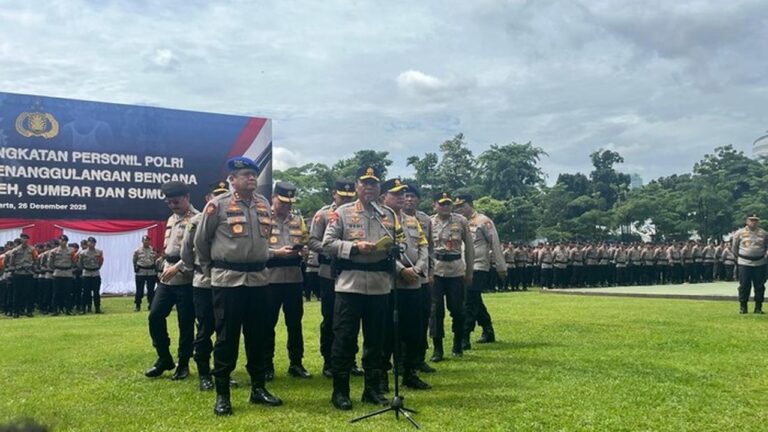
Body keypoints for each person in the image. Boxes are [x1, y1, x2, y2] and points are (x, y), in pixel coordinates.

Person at [195, 157, 283, 415]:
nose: (251, 178)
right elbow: (201, 242)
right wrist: (212, 271)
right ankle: (223, 394)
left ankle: (258, 389)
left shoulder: (263, 204)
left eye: (253, 174)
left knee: (258, 336)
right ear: (232, 179)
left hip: (258, 280)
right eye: (245, 174)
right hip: (228, 280)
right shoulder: (217, 205)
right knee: (227, 337)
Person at [322, 166, 397, 410]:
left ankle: (372, 389)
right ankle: (340, 391)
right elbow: (328, 243)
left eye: (373, 184)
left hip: (379, 286)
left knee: (376, 340)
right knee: (344, 338)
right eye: (364, 183)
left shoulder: (387, 215)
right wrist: (354, 248)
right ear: (356, 187)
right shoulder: (342, 213)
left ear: (379, 188)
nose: (369, 187)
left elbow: (397, 243)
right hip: (350, 285)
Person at [144, 181, 198, 381]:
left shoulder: (197, 219)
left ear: (187, 197)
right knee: (155, 316)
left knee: (185, 323)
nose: (173, 205)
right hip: (167, 276)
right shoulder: (171, 219)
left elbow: (197, 251)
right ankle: (164, 358)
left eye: (176, 201)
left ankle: (183, 364)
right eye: (169, 203)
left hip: (186, 277)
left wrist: (178, 267)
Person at [381, 178, 431, 391]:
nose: (402, 197)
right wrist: (402, 270)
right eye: (397, 194)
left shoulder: (412, 220)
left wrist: (418, 268)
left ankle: (410, 372)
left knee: (413, 330)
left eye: (403, 193)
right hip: (390, 285)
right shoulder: (379, 219)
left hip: (413, 284)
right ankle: (382, 375)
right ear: (384, 196)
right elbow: (382, 250)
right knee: (386, 332)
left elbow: (423, 247)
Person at [180, 180, 230, 391]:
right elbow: (185, 254)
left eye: (224, 195)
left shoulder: (230, 220)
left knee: (224, 330)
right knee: (205, 329)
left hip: (226, 282)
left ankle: (221, 372)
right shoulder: (195, 221)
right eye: (215, 195)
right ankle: (203, 373)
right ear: (208, 198)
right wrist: (201, 271)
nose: (219, 199)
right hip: (204, 283)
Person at [307, 179, 358, 378]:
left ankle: (350, 360)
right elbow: (312, 240)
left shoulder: (357, 213)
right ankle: (329, 361)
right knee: (330, 318)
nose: (345, 198)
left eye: (349, 196)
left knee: (351, 319)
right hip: (329, 272)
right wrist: (333, 250)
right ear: (333, 194)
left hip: (350, 273)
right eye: (341, 195)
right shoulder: (323, 215)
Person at [264, 181, 311, 380]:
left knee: (295, 323)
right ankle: (266, 364)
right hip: (270, 279)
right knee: (267, 323)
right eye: (283, 202)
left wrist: (305, 251)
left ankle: (296, 363)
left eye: (290, 203)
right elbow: (256, 249)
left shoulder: (298, 220)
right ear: (273, 197)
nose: (287, 206)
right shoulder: (263, 218)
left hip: (293, 277)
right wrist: (276, 253)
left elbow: (306, 242)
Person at [454, 194, 505, 349]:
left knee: (469, 301)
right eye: (458, 207)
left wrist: (500, 266)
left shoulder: (484, 221)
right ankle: (488, 329)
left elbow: (495, 243)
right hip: (462, 266)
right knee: (475, 299)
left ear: (470, 204)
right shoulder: (458, 222)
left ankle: (465, 335)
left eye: (463, 206)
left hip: (479, 266)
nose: (460, 209)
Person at [429, 192, 474, 361]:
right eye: (442, 203)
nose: (445, 206)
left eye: (448, 203)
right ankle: (437, 348)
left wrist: (469, 271)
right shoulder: (429, 222)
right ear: (435, 205)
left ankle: (457, 343)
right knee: (435, 311)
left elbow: (469, 248)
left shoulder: (461, 221)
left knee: (457, 309)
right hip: (436, 271)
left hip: (456, 270)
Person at [403, 182, 437, 374]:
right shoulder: (390, 217)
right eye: (406, 196)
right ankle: (400, 360)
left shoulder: (424, 219)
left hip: (422, 276)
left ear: (418, 200)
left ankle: (419, 357)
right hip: (400, 276)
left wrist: (430, 272)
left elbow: (429, 248)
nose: (409, 200)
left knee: (422, 318)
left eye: (412, 197)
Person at [732, 214, 768, 314]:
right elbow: (734, 248)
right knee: (744, 285)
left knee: (760, 286)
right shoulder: (739, 233)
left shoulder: (764, 233)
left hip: (760, 262)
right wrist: (738, 258)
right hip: (744, 262)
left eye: (755, 220)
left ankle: (758, 307)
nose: (753, 222)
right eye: (751, 220)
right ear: (747, 221)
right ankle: (743, 307)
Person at [7, 234, 38, 318]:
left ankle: (29, 311)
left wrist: (33, 269)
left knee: (29, 293)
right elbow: (11, 262)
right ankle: (16, 311)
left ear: (28, 239)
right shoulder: (15, 250)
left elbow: (36, 260)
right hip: (18, 273)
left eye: (25, 238)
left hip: (28, 273)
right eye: (22, 238)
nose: (23, 240)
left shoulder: (32, 249)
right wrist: (15, 269)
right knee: (17, 293)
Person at [49, 235, 76, 316]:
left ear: (67, 241)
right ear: (59, 241)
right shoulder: (54, 251)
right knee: (56, 293)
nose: (62, 242)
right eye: (61, 240)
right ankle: (55, 310)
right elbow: (51, 263)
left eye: (64, 240)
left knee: (68, 293)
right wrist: (56, 268)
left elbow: (74, 261)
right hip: (58, 272)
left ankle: (68, 310)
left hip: (67, 273)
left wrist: (69, 268)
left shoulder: (71, 251)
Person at [78, 237, 104, 314]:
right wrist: (85, 268)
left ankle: (97, 308)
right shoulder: (83, 253)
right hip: (86, 273)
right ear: (87, 243)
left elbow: (100, 262)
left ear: (95, 243)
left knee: (96, 292)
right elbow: (80, 263)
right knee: (85, 292)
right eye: (90, 242)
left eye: (93, 242)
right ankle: (83, 309)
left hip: (95, 273)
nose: (91, 244)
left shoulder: (99, 252)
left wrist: (97, 267)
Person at [133, 236, 158, 312]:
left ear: (150, 241)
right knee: (139, 290)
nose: (146, 242)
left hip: (151, 272)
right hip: (141, 272)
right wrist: (136, 269)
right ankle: (138, 305)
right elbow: (134, 260)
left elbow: (156, 260)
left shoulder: (153, 250)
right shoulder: (137, 251)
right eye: (145, 241)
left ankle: (151, 304)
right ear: (142, 242)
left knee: (151, 290)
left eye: (147, 240)